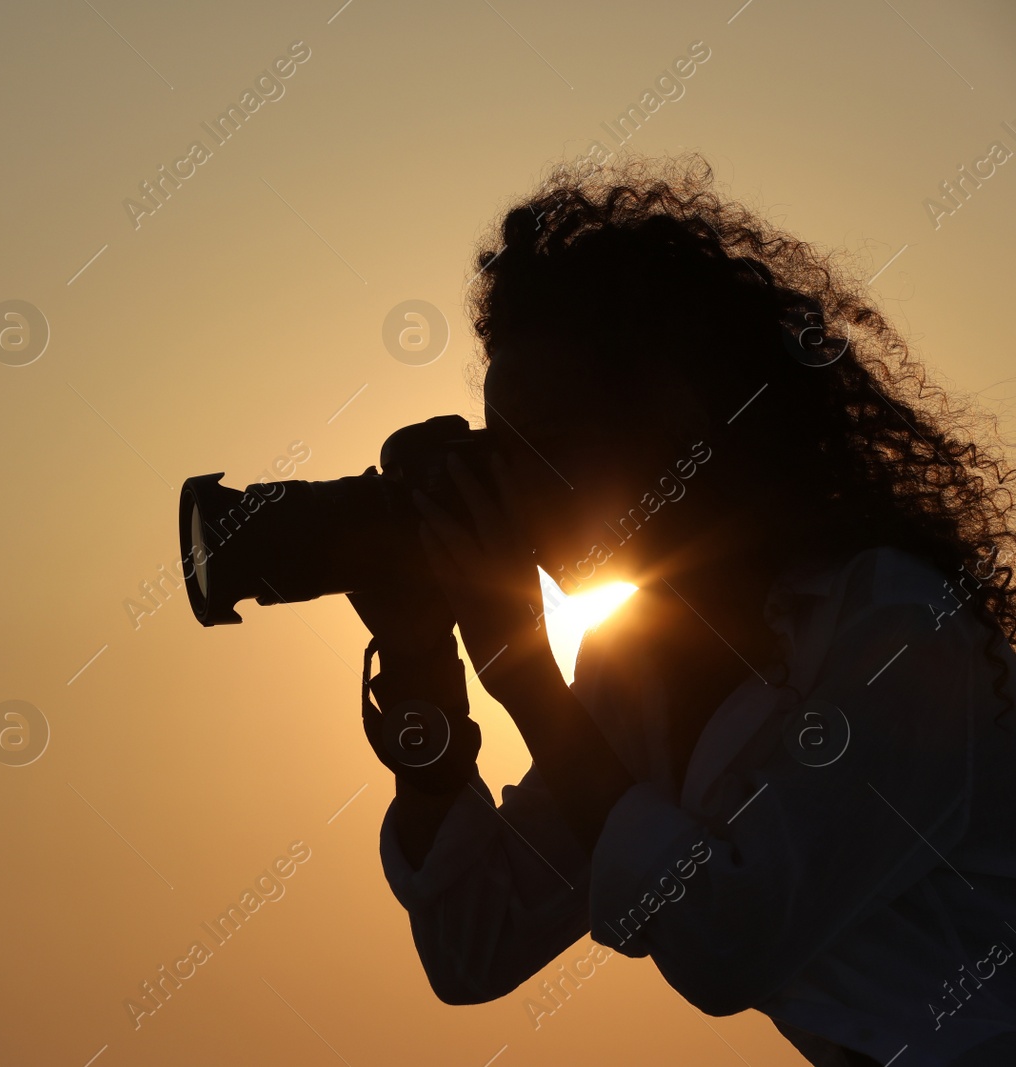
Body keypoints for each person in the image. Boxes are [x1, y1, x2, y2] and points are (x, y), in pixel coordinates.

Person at [347, 155, 1016, 1067]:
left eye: (553, 444)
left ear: (684, 422)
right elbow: (476, 941)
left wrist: (525, 674)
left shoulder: (896, 625)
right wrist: (423, 659)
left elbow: (727, 939)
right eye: (501, 453)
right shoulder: (636, 675)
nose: (520, 492)